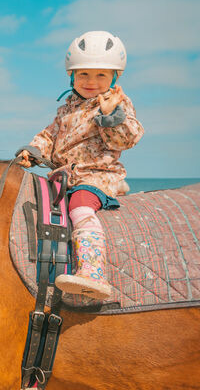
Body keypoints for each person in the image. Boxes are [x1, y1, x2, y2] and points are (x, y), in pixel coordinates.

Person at [18, 31, 144, 300]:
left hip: (96, 175)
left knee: (81, 207)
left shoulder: (114, 105)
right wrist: (33, 150)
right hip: (64, 176)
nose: (91, 82)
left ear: (115, 78)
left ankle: (92, 271)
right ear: (71, 76)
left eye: (101, 75)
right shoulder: (67, 107)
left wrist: (110, 115)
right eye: (83, 74)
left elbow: (128, 138)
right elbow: (50, 134)